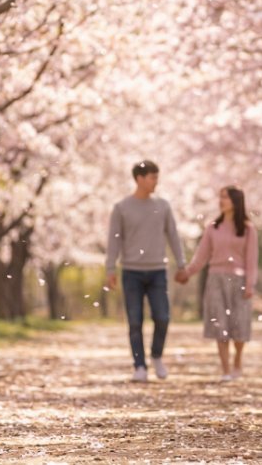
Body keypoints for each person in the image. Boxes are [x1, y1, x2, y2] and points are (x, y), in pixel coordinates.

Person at [105, 160, 186, 383]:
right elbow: (114, 240)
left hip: (158, 270)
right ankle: (139, 365)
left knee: (163, 317)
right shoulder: (121, 208)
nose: (155, 182)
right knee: (134, 321)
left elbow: (173, 235)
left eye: (157, 178)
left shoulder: (163, 205)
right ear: (139, 178)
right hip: (131, 271)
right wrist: (110, 268)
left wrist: (181, 263)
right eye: (152, 178)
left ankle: (157, 356)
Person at [176, 186, 258, 382]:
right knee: (219, 325)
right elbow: (201, 257)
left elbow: (252, 260)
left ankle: (238, 360)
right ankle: (226, 369)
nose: (221, 201)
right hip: (216, 280)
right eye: (220, 197)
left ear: (236, 202)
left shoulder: (248, 229)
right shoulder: (212, 227)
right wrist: (186, 273)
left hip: (238, 281)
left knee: (238, 328)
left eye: (226, 198)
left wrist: (249, 284)